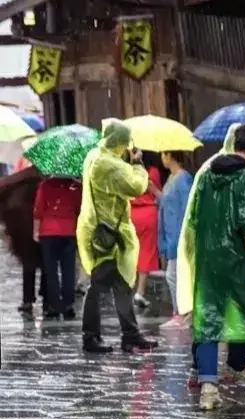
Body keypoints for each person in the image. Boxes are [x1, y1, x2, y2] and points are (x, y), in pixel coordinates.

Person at [181, 123, 245, 411]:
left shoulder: (208, 174)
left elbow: (194, 216)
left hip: (210, 261)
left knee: (209, 322)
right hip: (239, 261)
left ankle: (208, 389)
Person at [76, 120, 158, 354]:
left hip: (103, 230)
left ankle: (130, 335)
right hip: (107, 234)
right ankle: (91, 337)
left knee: (122, 283)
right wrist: (138, 163)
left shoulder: (95, 155)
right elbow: (135, 186)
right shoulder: (108, 163)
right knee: (99, 284)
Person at [34, 175, 81, 320]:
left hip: (48, 232)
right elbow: (79, 209)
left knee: (51, 271)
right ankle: (68, 305)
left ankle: (54, 305)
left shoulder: (45, 185)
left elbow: (38, 210)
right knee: (69, 270)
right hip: (69, 231)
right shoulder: (77, 186)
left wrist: (35, 231)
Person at [2, 168, 45, 317]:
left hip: (25, 231)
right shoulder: (53, 182)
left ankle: (28, 300)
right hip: (43, 229)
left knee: (29, 265)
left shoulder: (20, 180)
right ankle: (46, 298)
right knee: (46, 265)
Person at [158, 151, 193, 315]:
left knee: (173, 276)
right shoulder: (171, 178)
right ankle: (178, 311)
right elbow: (167, 201)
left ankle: (181, 312)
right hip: (170, 234)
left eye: (163, 155)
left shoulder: (183, 178)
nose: (162, 159)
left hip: (179, 234)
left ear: (170, 156)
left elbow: (187, 206)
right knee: (174, 275)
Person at [130, 158, 162, 313]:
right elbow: (157, 191)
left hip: (131, 213)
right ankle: (140, 291)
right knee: (146, 251)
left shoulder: (127, 170)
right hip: (148, 213)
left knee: (130, 251)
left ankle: (128, 287)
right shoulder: (153, 171)